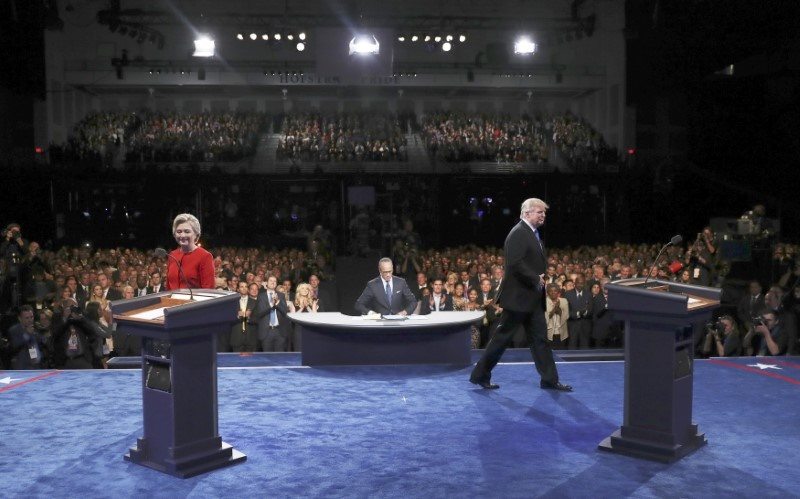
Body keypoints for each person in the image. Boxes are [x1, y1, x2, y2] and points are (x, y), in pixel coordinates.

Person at [470, 198, 573, 391]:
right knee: (501, 339)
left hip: (532, 299)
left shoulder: (532, 234)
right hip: (518, 298)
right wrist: (536, 278)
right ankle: (480, 375)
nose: (543, 215)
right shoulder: (518, 233)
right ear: (526, 213)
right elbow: (514, 264)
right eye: (539, 212)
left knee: (540, 340)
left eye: (544, 212)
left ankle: (549, 380)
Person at [166, 213, 215, 290]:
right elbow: (168, 287)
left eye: (187, 231)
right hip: (172, 301)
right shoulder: (173, 255)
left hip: (196, 302)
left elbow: (208, 290)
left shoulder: (205, 256)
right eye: (179, 231)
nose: (182, 235)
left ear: (196, 234)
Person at [256, 275, 290, 352]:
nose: (273, 282)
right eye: (271, 280)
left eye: (275, 281)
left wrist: (277, 303)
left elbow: (285, 312)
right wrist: (272, 304)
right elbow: (260, 313)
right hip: (266, 332)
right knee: (267, 358)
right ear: (266, 283)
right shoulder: (261, 296)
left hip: (279, 331)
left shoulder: (281, 295)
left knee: (280, 358)